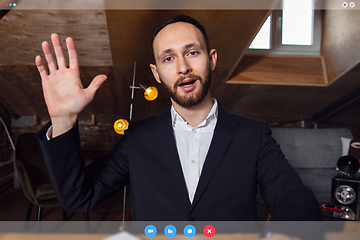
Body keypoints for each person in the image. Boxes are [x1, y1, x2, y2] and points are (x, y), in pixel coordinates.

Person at [35, 15, 322, 221]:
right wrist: (63, 120)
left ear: (211, 59)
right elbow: (79, 197)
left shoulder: (253, 134)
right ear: (157, 73)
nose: (183, 67)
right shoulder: (138, 137)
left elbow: (293, 197)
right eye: (168, 58)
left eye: (192, 53)